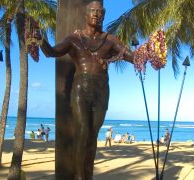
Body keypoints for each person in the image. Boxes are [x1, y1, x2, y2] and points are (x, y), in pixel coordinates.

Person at [34, 1, 149, 179]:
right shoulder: (74, 38)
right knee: (82, 133)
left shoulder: (110, 40)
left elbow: (131, 57)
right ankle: (79, 176)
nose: (96, 14)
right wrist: (40, 39)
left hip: (102, 89)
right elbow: (52, 52)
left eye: (99, 12)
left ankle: (88, 174)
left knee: (93, 134)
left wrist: (148, 52)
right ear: (86, 15)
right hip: (81, 87)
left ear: (103, 15)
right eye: (92, 11)